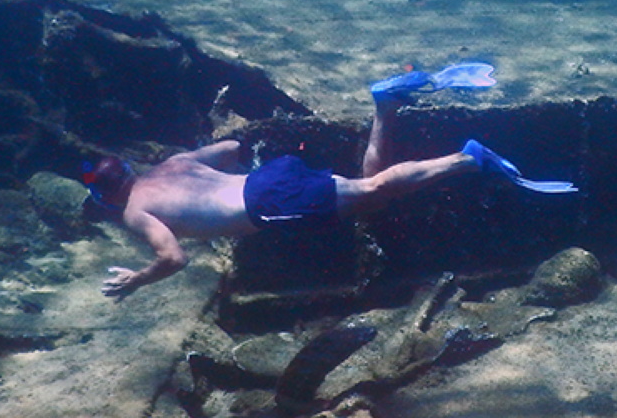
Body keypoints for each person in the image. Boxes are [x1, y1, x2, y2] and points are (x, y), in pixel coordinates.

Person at [85, 64, 577, 299]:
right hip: (269, 177)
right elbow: (232, 150)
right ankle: (384, 105)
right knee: (372, 191)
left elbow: (173, 257)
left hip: (267, 202)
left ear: (105, 197)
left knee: (370, 193)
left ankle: (469, 160)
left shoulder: (133, 212)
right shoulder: (170, 163)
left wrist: (137, 278)